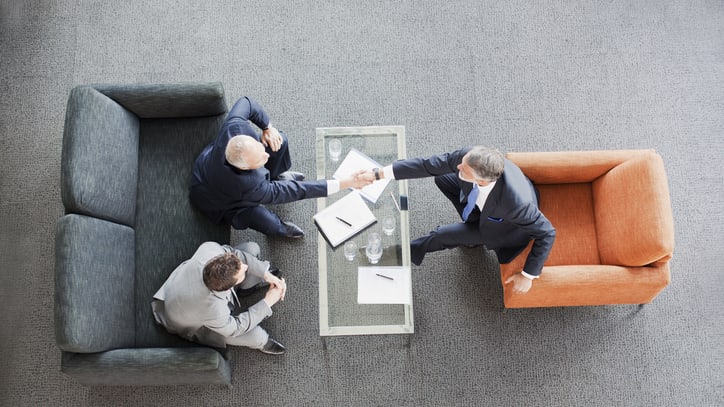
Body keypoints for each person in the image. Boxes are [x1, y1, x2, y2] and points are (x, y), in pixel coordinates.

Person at [362, 146, 555, 294]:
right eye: (462, 163)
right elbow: (426, 165)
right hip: (486, 207)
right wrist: (378, 174)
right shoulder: (469, 157)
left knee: (441, 235)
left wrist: (528, 275)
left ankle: (398, 254)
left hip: (502, 228)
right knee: (442, 178)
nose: (458, 167)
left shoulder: (517, 205)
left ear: (481, 181)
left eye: (464, 170)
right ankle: (470, 227)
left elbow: (547, 232)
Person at [190, 96, 371, 238]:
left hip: (211, 165)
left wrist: (268, 128)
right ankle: (280, 229)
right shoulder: (251, 188)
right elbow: (297, 191)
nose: (266, 155)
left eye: (260, 148)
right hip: (221, 202)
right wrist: (346, 182)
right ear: (246, 168)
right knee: (263, 219)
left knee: (279, 140)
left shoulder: (234, 126)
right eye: (260, 160)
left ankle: (275, 177)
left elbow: (247, 102)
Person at [151, 241, 288, 355]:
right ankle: (263, 343)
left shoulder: (210, 249)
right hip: (196, 322)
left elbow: (236, 254)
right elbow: (235, 328)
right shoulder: (212, 309)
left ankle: (247, 288)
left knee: (252, 248)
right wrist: (268, 301)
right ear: (229, 288)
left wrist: (265, 274)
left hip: (184, 289)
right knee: (256, 335)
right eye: (242, 273)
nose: (246, 267)